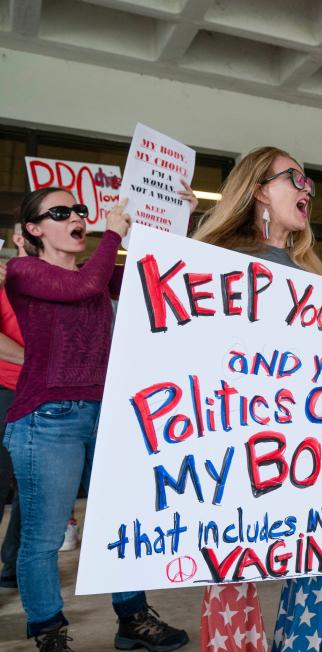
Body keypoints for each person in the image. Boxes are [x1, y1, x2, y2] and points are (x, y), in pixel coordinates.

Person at [193, 146, 322, 652]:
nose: (307, 188)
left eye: (309, 180)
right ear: (258, 191)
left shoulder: (314, 274)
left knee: (313, 572)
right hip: (234, 447)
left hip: (304, 451)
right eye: (294, 177)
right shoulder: (215, 263)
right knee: (229, 574)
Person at [5, 189, 189, 650]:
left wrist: (178, 214)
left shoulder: (100, 275)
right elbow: (81, 288)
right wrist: (113, 234)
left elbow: (161, 270)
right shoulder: (25, 271)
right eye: (61, 213)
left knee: (120, 523)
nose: (76, 218)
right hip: (46, 420)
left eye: (79, 211)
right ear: (33, 229)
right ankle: (49, 630)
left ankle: (133, 618)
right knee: (44, 538)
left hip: (105, 415)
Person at [0, 223, 28, 589]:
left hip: (45, 393)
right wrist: (38, 359)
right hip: (6, 390)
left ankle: (12, 565)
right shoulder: (4, 283)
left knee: (32, 487)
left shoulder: (63, 281)